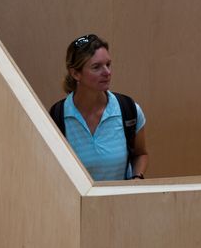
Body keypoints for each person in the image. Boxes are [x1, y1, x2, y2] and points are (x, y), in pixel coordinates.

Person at [50, 34, 148, 181]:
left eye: (108, 64)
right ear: (75, 73)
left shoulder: (128, 110)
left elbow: (141, 154)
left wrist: (137, 178)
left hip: (120, 202)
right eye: (96, 67)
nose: (107, 72)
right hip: (76, 203)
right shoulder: (57, 117)